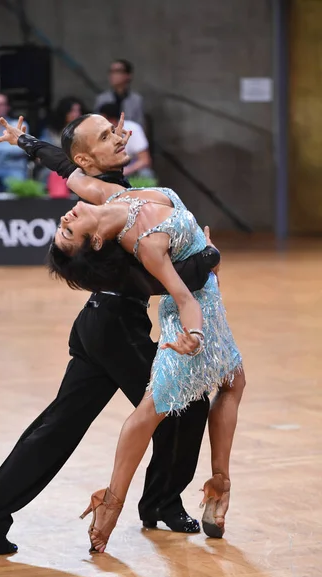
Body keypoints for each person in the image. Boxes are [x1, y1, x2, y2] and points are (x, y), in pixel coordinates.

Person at [0, 117, 220, 556]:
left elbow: (63, 163)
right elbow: (153, 283)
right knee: (187, 403)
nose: (119, 139)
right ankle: (161, 502)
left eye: (115, 133)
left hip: (99, 326)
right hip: (115, 328)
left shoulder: (105, 185)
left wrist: (23, 140)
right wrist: (207, 256)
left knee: (57, 427)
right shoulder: (103, 205)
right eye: (106, 138)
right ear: (89, 160)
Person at [47, 113, 246, 552]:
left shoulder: (107, 195)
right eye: (68, 227)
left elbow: (66, 168)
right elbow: (185, 295)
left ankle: (217, 485)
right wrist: (193, 333)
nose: (68, 210)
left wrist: (24, 139)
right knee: (150, 412)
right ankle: (111, 506)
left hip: (212, 303)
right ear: (94, 241)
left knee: (230, 384)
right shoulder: (145, 243)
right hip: (194, 320)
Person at [41, 96, 88, 197]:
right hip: (56, 165)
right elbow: (43, 151)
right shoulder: (51, 131)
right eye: (72, 111)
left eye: (78, 111)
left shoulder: (86, 131)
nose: (76, 114)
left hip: (80, 165)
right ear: (64, 112)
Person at [99, 103, 154, 179]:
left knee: (145, 173)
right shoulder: (100, 132)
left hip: (130, 168)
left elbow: (145, 160)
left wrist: (126, 171)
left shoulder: (133, 128)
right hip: (110, 169)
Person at [94, 60, 145, 127]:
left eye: (117, 71)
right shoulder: (102, 99)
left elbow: (140, 126)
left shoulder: (136, 100)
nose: (112, 75)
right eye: (111, 72)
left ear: (128, 75)